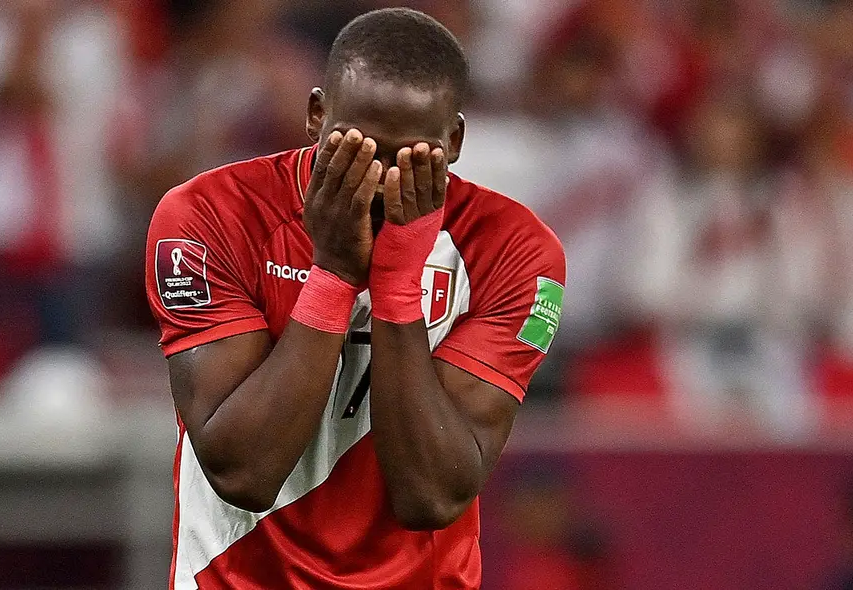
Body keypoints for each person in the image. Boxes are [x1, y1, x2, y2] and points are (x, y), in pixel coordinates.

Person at [145, 8, 566, 589]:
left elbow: (431, 496)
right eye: (356, 150)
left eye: (409, 158)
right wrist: (335, 274)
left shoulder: (514, 252)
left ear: (454, 141)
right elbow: (243, 474)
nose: (378, 179)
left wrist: (396, 284)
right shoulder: (209, 216)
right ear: (316, 115)